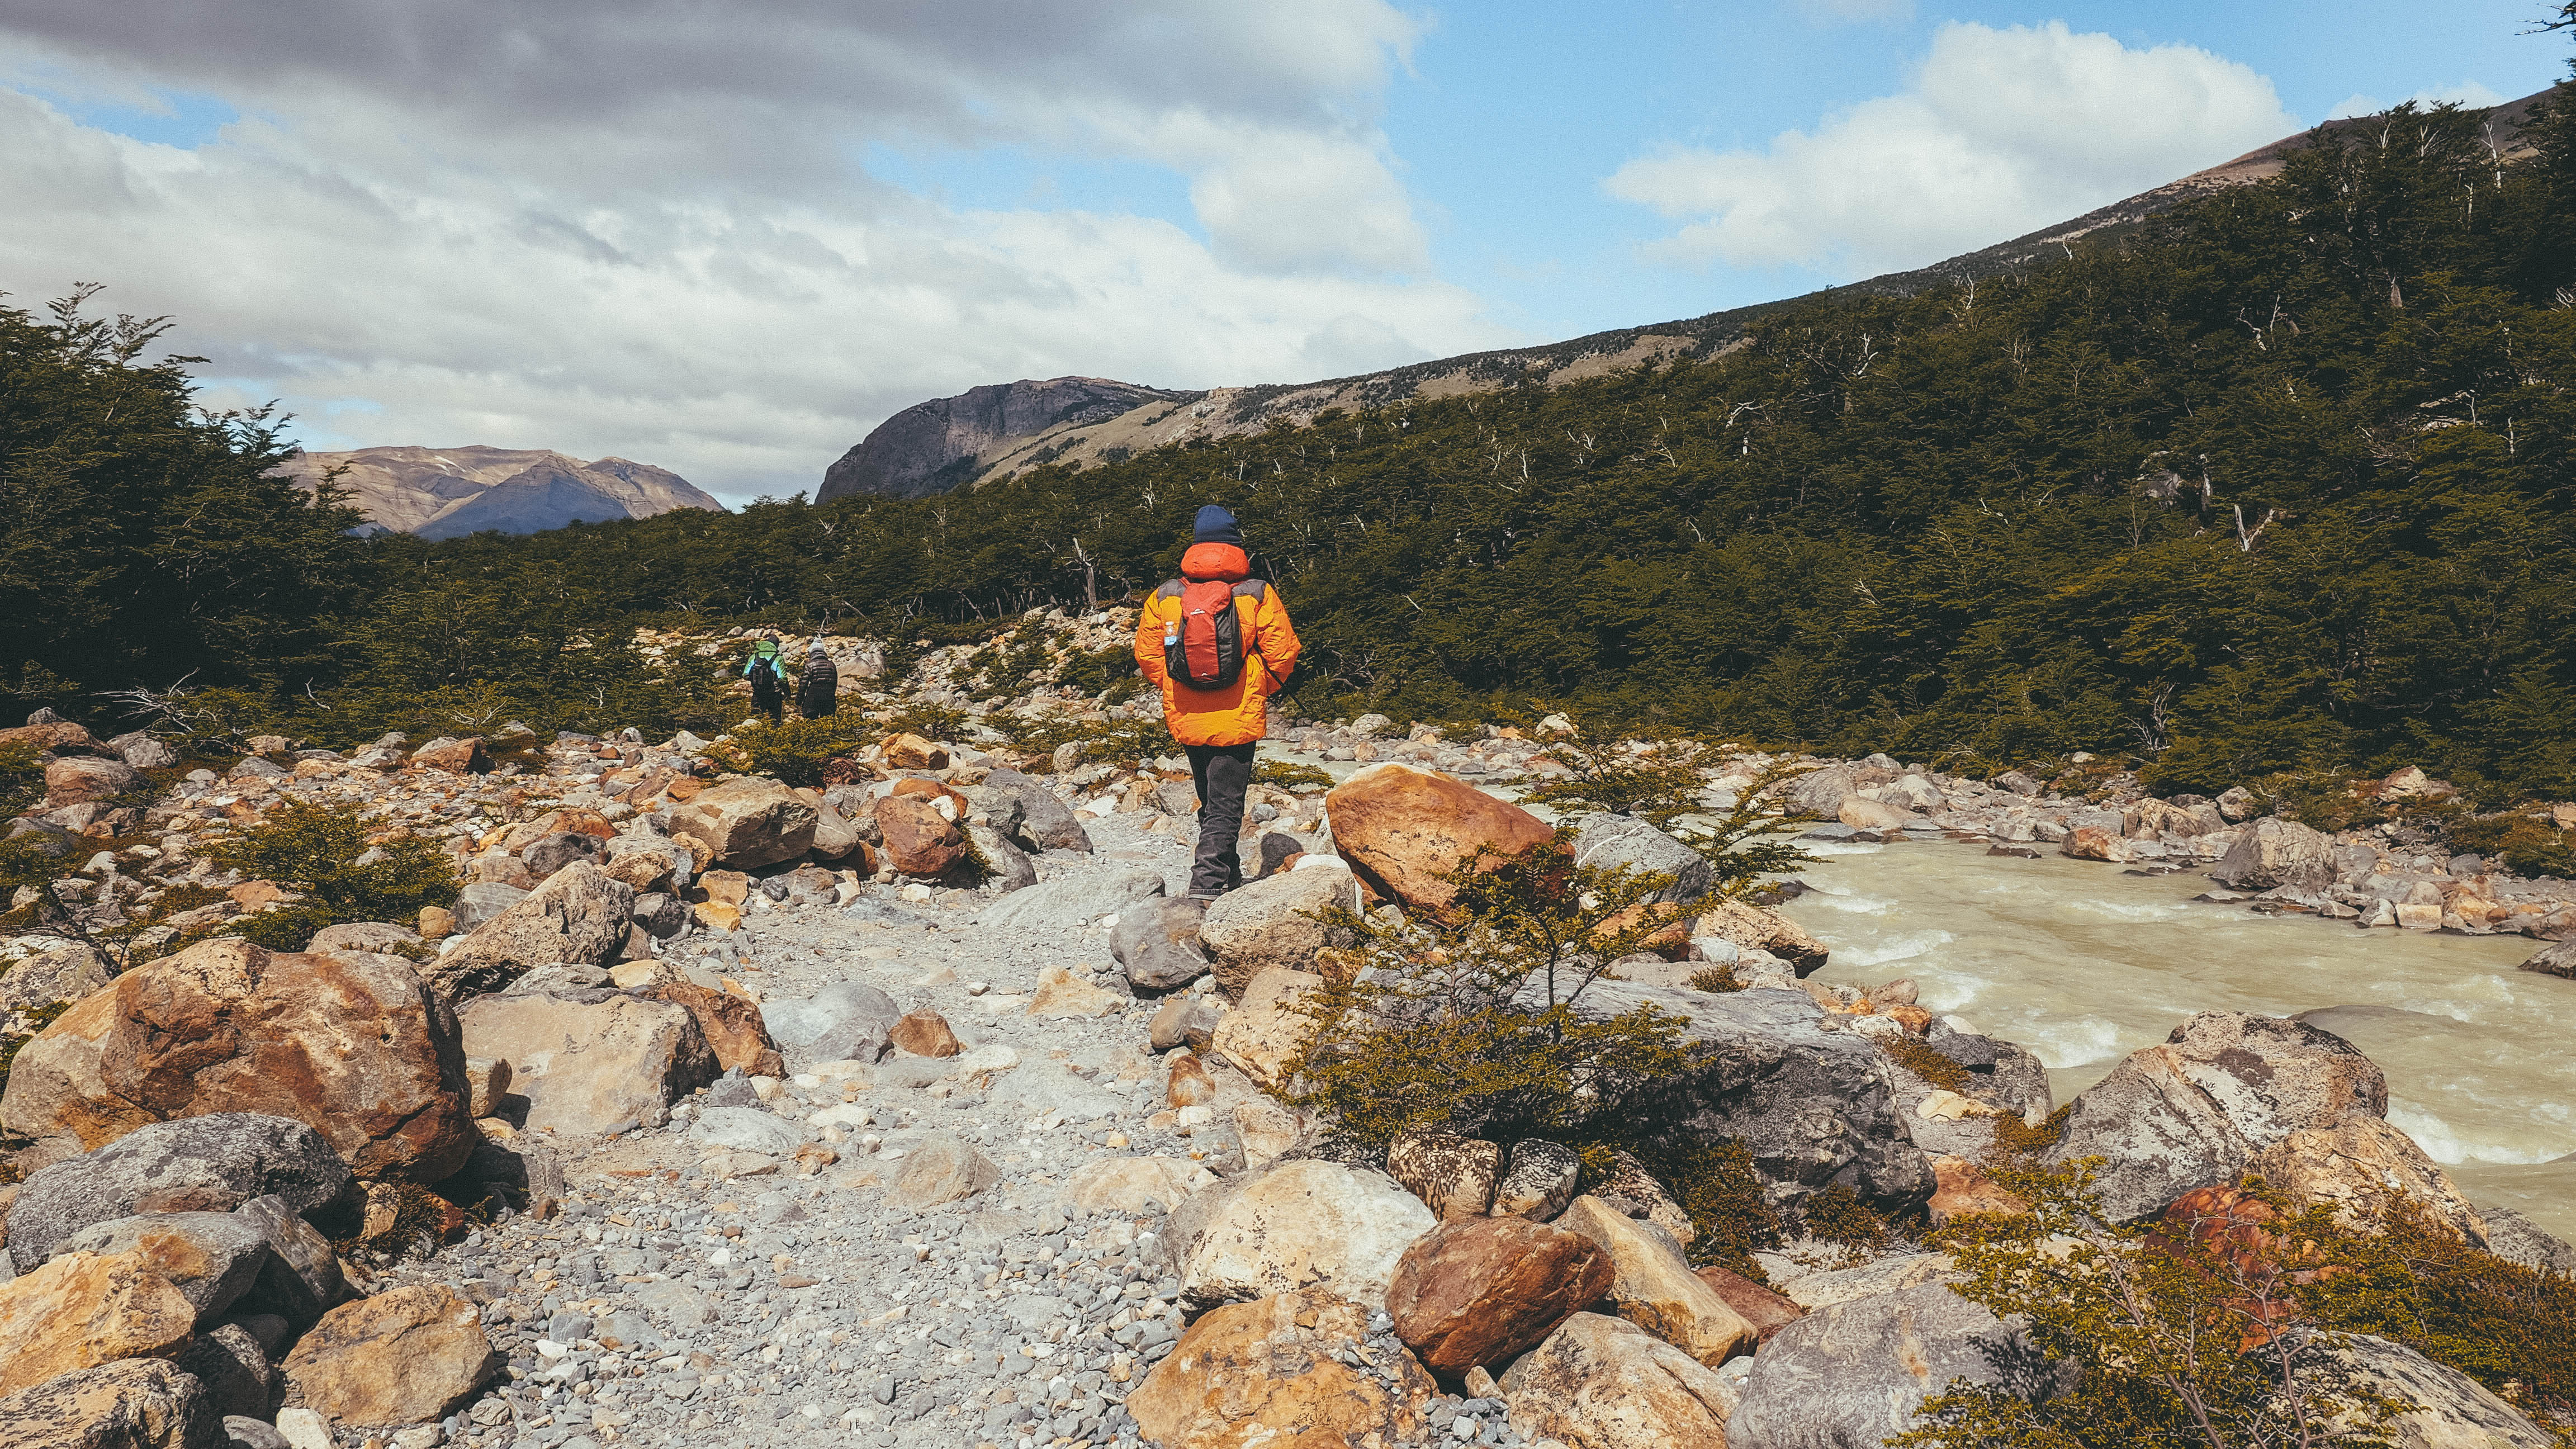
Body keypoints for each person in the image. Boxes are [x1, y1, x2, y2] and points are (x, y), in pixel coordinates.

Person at [1133, 504, 1300, 899]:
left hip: (1187, 713)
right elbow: (1284, 652)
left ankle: (1229, 879)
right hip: (1238, 712)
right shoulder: (1256, 592)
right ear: (1236, 542)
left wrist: (1177, 687)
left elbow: (1148, 654)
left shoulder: (1167, 594)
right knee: (1227, 805)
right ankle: (1204, 889)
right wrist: (1259, 685)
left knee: (1211, 799)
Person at [742, 633, 787, 724]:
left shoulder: (754, 657)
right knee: (775, 721)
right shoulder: (778, 658)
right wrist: (787, 693)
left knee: (756, 720)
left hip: (758, 693)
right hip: (774, 694)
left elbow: (745, 675)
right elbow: (783, 679)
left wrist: (756, 680)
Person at [796, 634, 839, 719]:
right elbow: (835, 683)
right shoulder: (831, 665)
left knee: (810, 719)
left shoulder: (810, 664)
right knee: (828, 720)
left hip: (814, 694)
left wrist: (799, 700)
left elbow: (803, 684)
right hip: (829, 694)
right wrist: (832, 694)